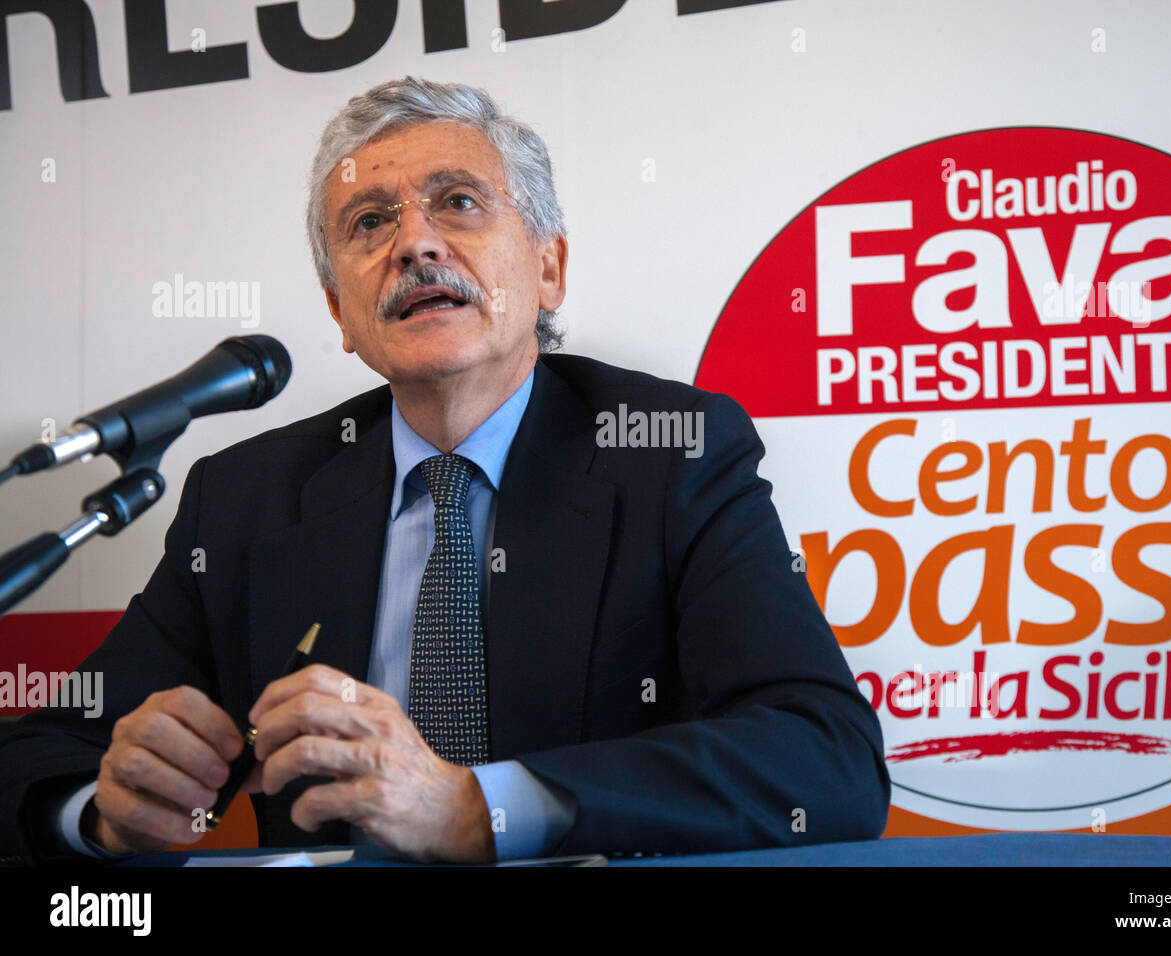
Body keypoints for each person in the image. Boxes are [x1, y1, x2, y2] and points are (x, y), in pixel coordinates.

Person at [0, 77, 890, 864]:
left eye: (458, 202)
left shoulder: (668, 451)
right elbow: (39, 759)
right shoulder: (246, 500)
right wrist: (103, 813)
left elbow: (825, 758)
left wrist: (473, 808)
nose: (414, 244)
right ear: (341, 312)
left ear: (548, 268)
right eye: (370, 222)